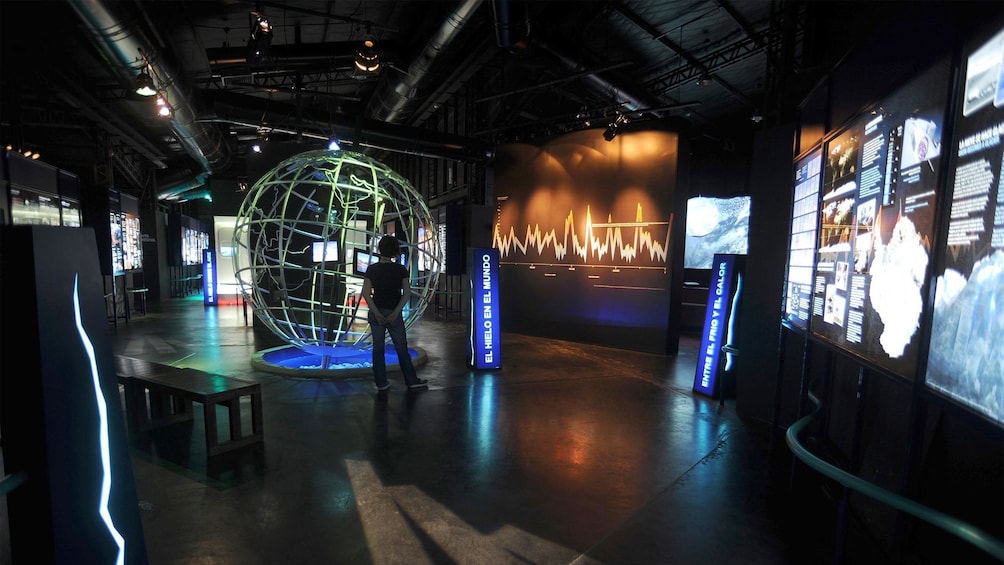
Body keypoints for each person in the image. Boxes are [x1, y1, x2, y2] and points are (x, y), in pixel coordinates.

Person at [360, 236, 428, 392]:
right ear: (395, 250)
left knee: (378, 349)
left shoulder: (372, 269)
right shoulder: (400, 270)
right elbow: (406, 294)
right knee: (401, 348)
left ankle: (381, 383)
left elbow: (366, 293)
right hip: (393, 313)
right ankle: (411, 380)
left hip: (377, 313)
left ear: (380, 249)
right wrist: (395, 313)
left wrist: (376, 313)